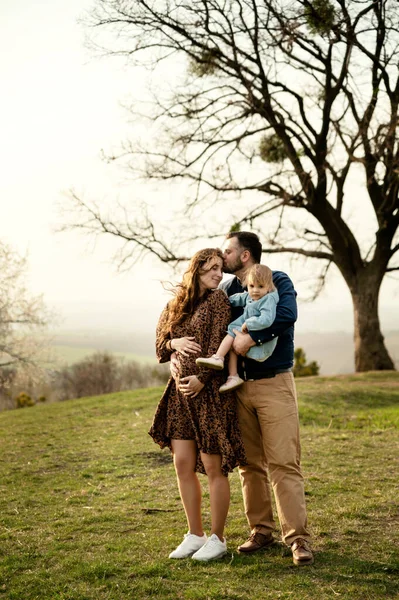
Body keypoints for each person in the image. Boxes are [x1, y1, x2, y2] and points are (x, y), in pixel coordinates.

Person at [220, 231, 314, 566]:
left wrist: (252, 337)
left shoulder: (277, 279)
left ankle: (298, 539)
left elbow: (287, 315)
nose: (222, 256)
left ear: (244, 256)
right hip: (238, 387)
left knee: (284, 463)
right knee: (249, 464)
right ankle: (261, 530)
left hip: (274, 383)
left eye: (227, 251)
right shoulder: (228, 289)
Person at [148, 248, 247, 562]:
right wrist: (174, 342)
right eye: (212, 269)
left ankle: (218, 538)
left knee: (214, 467)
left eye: (221, 269)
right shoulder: (175, 305)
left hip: (209, 394)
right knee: (182, 464)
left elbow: (220, 341)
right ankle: (195, 534)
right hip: (178, 396)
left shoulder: (218, 301)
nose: (219, 275)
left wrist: (202, 378)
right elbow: (159, 346)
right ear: (196, 270)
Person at [196, 264, 279, 393]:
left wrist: (249, 323)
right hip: (246, 337)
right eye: (252, 286)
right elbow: (237, 298)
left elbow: (267, 320)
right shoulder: (250, 296)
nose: (255, 290)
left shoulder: (268, 299)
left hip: (260, 348)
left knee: (233, 329)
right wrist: (219, 300)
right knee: (233, 338)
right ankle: (233, 376)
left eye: (260, 286)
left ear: (268, 287)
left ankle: (218, 358)